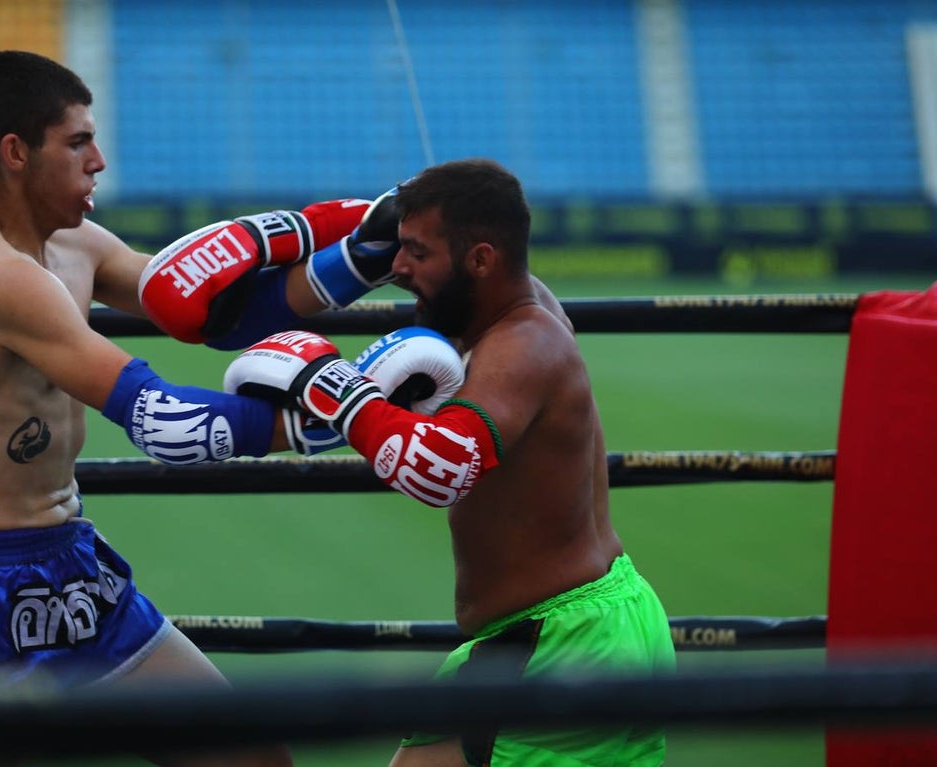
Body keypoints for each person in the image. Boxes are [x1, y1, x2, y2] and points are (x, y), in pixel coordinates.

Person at [0, 49, 400, 767]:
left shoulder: (73, 244)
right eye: (77, 142)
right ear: (15, 153)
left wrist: (365, 254)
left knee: (254, 757)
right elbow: (162, 419)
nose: (99, 160)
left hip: (72, 568)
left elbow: (212, 312)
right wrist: (327, 419)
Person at [225, 158, 677, 766]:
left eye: (416, 252)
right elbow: (476, 209)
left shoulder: (523, 343)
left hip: (559, 645)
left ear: (481, 260)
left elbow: (441, 467)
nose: (397, 266)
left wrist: (327, 383)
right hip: (566, 629)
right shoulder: (507, 307)